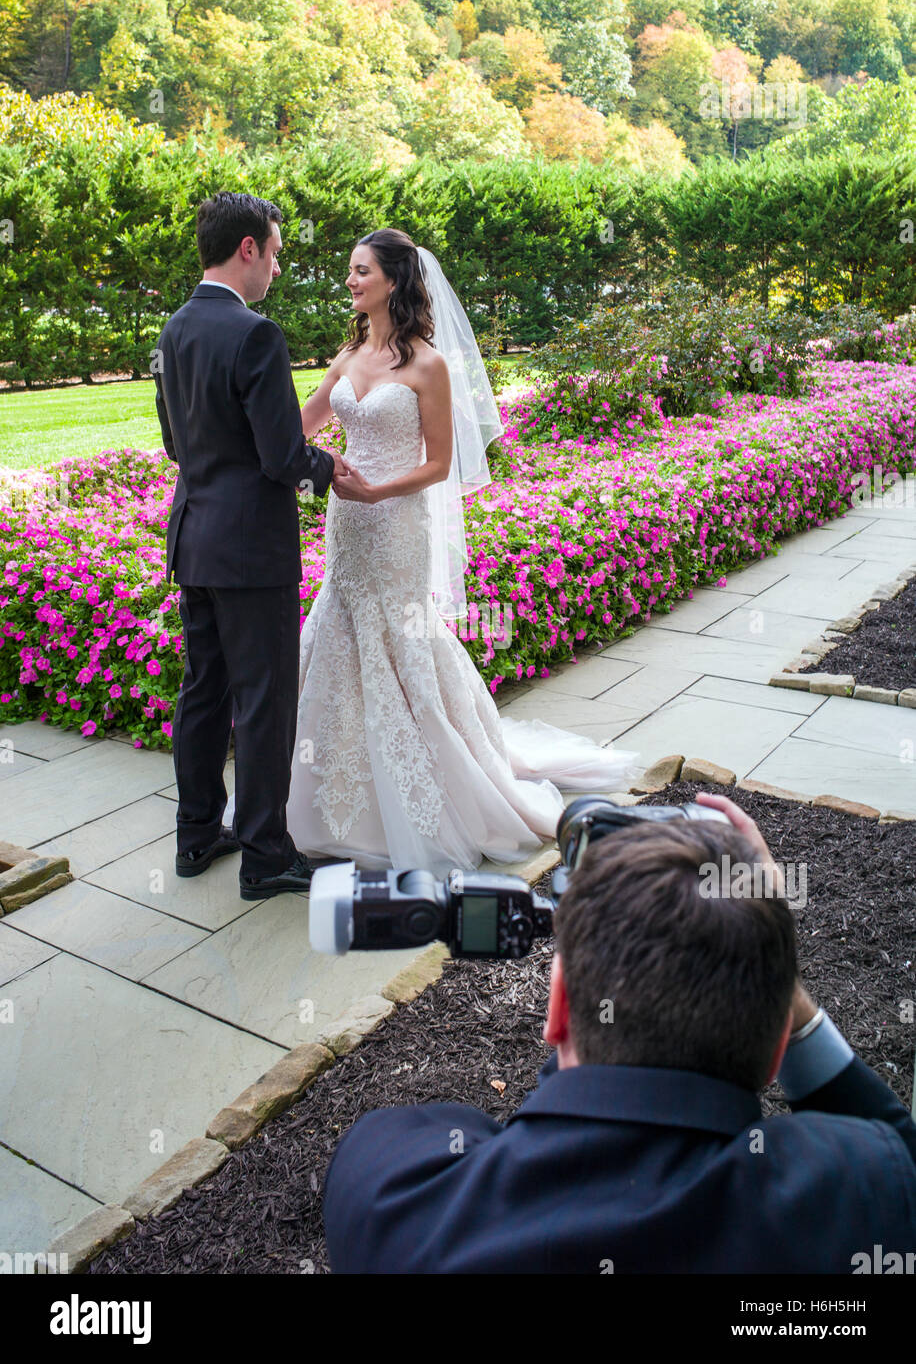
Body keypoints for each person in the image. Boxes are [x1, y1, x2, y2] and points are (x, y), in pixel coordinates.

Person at [322, 792, 916, 1273]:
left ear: (558, 1008)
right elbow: (897, 1150)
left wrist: (594, 952)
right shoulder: (864, 1197)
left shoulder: (390, 1196)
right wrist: (769, 959)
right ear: (778, 1046)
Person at [287, 228, 640, 877]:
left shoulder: (428, 364)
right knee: (341, 629)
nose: (350, 281)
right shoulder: (349, 353)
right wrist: (308, 457)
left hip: (396, 525)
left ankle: (434, 782)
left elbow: (440, 464)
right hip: (347, 526)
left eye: (361, 270)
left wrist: (376, 492)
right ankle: (326, 787)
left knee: (402, 638)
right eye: (351, 270)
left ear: (393, 280)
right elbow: (300, 426)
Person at [154, 192, 342, 901]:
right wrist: (328, 467)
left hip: (194, 539)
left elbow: (175, 443)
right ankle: (265, 855)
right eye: (276, 253)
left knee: (204, 690)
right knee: (264, 700)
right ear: (248, 249)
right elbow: (282, 455)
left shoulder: (174, 329)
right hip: (251, 552)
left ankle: (197, 835)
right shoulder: (256, 334)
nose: (277, 269)